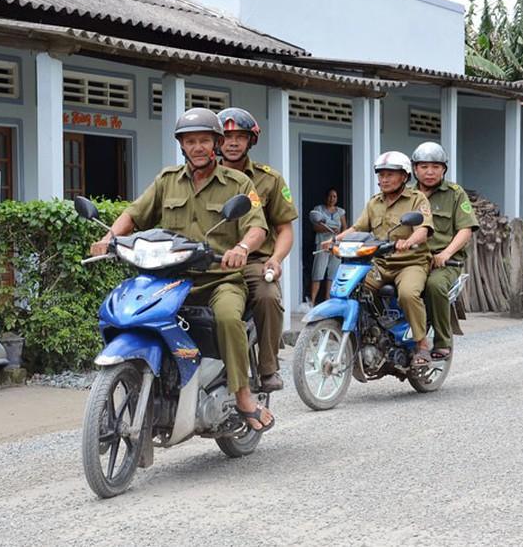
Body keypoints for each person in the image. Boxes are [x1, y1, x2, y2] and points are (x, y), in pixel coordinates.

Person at [90, 108, 275, 431]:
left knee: (229, 317)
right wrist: (108, 238)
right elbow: (134, 215)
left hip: (218, 279)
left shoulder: (238, 182)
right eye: (191, 141)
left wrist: (242, 248)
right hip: (170, 278)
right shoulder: (167, 180)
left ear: (216, 144)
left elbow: (256, 227)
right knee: (127, 309)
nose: (198, 147)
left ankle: (243, 394)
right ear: (182, 145)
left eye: (205, 140)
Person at [217, 107, 298, 392]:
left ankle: (267, 367)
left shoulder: (269, 179)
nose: (233, 142)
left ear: (251, 141)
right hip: (209, 260)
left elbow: (285, 229)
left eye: (240, 136)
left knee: (267, 296)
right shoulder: (201, 176)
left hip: (253, 261)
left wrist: (275, 259)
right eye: (226, 136)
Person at [331, 151, 435, 366]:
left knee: (407, 294)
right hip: (380, 262)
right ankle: (376, 332)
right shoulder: (374, 202)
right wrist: (335, 240)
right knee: (356, 288)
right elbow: (358, 227)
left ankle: (421, 344)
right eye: (381, 175)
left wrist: (408, 241)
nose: (384, 179)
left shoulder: (417, 199)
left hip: (410, 262)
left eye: (390, 174)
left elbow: (423, 229)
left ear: (404, 177)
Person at [411, 141, 478, 360]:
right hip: (411, 260)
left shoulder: (455, 194)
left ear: (444, 169)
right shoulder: (405, 194)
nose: (429, 172)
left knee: (434, 285)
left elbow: (466, 229)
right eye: (424, 167)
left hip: (444, 262)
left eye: (436, 167)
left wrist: (446, 254)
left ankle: (442, 341)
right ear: (414, 169)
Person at [310, 189, 346, 304]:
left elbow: (345, 227)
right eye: (330, 196)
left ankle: (328, 300)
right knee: (318, 272)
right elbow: (315, 227)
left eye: (334, 196)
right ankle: (312, 302)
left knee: (333, 273)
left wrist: (340, 237)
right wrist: (329, 229)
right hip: (322, 245)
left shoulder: (340, 212)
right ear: (326, 197)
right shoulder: (318, 209)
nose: (332, 199)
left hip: (336, 246)